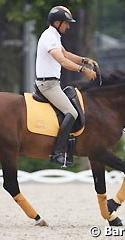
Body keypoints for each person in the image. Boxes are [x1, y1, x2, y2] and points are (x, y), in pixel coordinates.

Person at [35, 5, 98, 165]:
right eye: (66, 23)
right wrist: (84, 70)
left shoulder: (54, 35)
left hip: (53, 83)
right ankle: (57, 153)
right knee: (72, 112)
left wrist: (85, 60)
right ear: (57, 23)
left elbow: (66, 54)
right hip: (48, 85)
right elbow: (62, 60)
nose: (68, 26)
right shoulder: (50, 37)